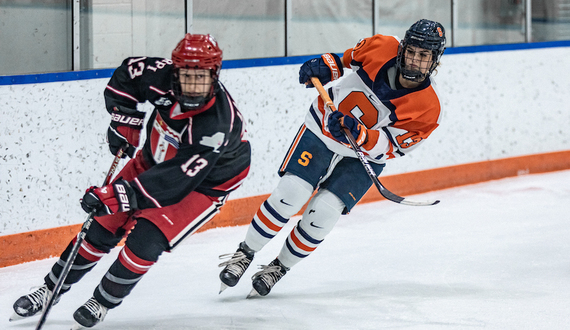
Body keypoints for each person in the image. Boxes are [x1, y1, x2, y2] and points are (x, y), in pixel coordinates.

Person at [11, 33, 251, 328]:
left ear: (215, 76)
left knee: (146, 240)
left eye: (200, 79)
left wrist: (119, 195)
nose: (192, 87)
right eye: (186, 77)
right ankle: (50, 289)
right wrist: (124, 118)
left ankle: (101, 301)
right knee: (101, 227)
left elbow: (175, 181)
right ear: (174, 71)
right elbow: (127, 74)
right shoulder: (158, 75)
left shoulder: (216, 125)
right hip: (152, 159)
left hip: (204, 183)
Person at [218, 19, 446, 297]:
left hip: (362, 155)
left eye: (424, 56)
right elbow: (343, 60)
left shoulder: (429, 108)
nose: (414, 61)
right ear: (402, 48)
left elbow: (390, 146)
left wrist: (360, 134)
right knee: (290, 194)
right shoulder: (382, 46)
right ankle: (244, 254)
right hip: (322, 129)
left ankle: (279, 267)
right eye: (411, 51)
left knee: (323, 214)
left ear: (435, 60)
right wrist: (322, 67)